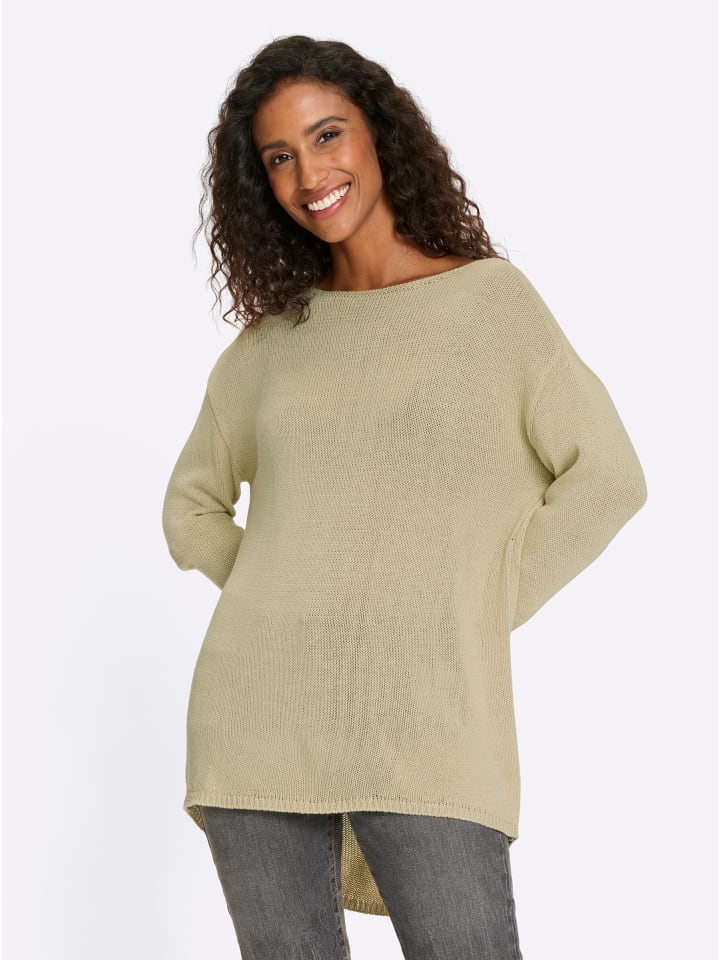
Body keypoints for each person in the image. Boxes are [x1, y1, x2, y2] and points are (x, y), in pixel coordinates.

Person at [161, 35, 647, 960]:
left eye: (327, 135)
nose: (311, 174)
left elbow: (609, 476)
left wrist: (471, 606)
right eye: (279, 157)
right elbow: (190, 508)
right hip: (257, 717)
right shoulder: (271, 346)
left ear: (380, 133)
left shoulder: (493, 305)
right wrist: (282, 590)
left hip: (429, 722)